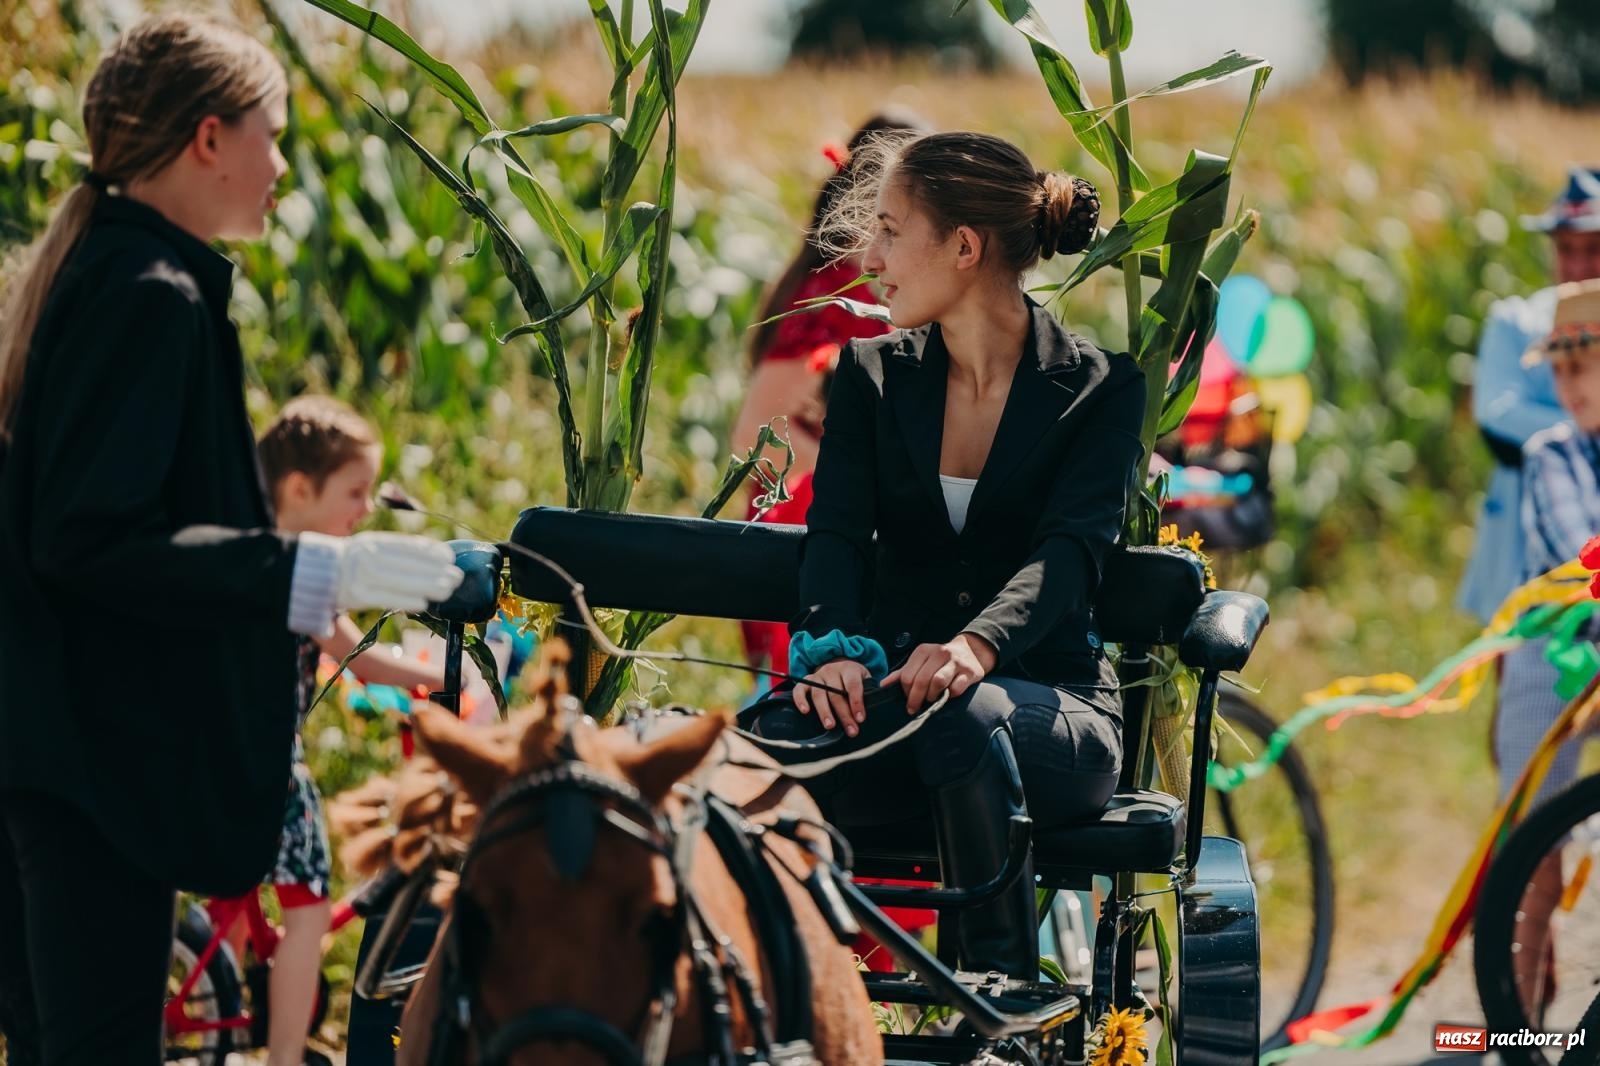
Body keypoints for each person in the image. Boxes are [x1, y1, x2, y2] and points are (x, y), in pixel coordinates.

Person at [0, 14, 462, 1064]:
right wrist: (305, 569)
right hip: (92, 771)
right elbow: (89, 540)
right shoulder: (149, 298)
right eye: (272, 132)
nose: (283, 164)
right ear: (208, 139)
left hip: (53, 755)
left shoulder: (110, 275)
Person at [742, 130, 1138, 979]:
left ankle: (995, 990)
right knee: (757, 741)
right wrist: (835, 647)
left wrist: (978, 646)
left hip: (1051, 714)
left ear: (964, 248)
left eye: (890, 230)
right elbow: (838, 536)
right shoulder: (868, 375)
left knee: (963, 718)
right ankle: (777, 989)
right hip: (891, 702)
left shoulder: (1102, 388)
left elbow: (1071, 553)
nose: (870, 255)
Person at [252, 396, 450, 1066]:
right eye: (355, 492)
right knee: (308, 916)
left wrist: (424, 673)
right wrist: (438, 677)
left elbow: (353, 656)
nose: (365, 510)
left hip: (218, 763)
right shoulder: (295, 572)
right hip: (269, 768)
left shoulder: (248, 558)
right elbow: (356, 657)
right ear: (299, 489)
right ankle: (284, 1058)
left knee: (241, 909)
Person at [732, 112, 926, 680]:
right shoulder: (829, 296)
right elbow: (753, 438)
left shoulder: (863, 289)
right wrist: (857, 470)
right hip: (811, 528)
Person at [1493, 277, 1600, 1017]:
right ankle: (1519, 1015)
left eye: (1581, 368)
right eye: (1559, 371)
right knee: (1530, 837)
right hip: (1556, 653)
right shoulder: (1551, 454)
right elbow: (1580, 554)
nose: (1569, 387)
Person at [1458, 165, 1600, 624]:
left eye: (1594, 248)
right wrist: (1586, 428)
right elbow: (1497, 411)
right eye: (1566, 249)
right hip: (1519, 543)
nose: (1579, 265)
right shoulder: (1517, 322)